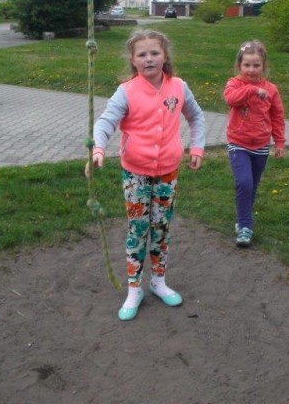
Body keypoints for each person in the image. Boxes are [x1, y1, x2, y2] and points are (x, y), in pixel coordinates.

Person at [86, 29, 205, 321]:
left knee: (161, 228)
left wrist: (197, 148)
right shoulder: (126, 91)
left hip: (167, 173)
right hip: (135, 174)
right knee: (138, 229)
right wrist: (98, 148)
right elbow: (105, 121)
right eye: (142, 54)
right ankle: (134, 287)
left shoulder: (178, 87)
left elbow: (196, 116)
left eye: (154, 53)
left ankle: (158, 281)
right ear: (133, 60)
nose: (149, 58)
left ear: (165, 56)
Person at [223, 40, 285, 247]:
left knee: (252, 186)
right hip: (238, 143)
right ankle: (245, 226)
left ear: (263, 66)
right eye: (247, 65)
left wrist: (280, 142)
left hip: (261, 145)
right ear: (239, 65)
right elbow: (231, 99)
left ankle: (242, 218)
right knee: (244, 183)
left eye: (256, 65)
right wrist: (251, 90)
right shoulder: (234, 84)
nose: (251, 69)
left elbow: (277, 117)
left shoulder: (271, 89)